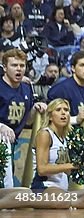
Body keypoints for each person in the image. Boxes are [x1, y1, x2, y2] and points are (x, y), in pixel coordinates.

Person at [0, 48, 47, 187]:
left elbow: (27, 120)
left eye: (22, 65)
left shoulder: (27, 89)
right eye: (14, 65)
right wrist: (1, 126)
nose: (19, 69)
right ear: (4, 67)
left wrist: (35, 108)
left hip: (13, 139)